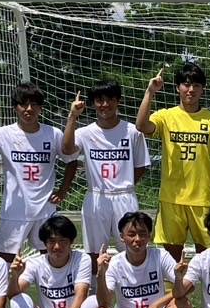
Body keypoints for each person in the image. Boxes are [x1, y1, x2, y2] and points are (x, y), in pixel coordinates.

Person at [0, 81, 76, 260]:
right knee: (6, 260)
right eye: (23, 104)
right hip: (14, 211)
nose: (29, 109)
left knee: (51, 258)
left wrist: (63, 190)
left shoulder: (53, 133)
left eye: (34, 104)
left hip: (45, 209)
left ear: (41, 108)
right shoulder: (3, 133)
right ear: (16, 107)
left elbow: (72, 160)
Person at [137, 61, 210, 258]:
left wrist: (206, 178)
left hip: (203, 198)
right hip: (172, 198)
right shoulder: (166, 116)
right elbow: (142, 126)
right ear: (178, 87)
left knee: (208, 256)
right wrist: (150, 92)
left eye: (196, 85)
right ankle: (175, 281)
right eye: (186, 84)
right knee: (172, 257)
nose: (191, 90)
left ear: (203, 89)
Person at [62, 79, 150, 255]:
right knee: (95, 252)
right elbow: (67, 149)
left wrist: (124, 184)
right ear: (93, 103)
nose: (105, 104)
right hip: (96, 197)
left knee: (132, 249)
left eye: (110, 99)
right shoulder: (85, 133)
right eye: (99, 100)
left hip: (125, 196)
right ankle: (96, 275)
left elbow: (141, 166)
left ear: (118, 101)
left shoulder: (133, 131)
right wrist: (72, 116)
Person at [90, 210, 188, 308]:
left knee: (183, 302)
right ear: (122, 237)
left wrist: (156, 305)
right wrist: (100, 275)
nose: (137, 239)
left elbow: (185, 287)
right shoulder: (115, 262)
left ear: (149, 236)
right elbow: (104, 303)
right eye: (131, 234)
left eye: (142, 234)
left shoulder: (160, 255)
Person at [6, 213, 92, 308]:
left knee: (94, 301)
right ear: (45, 243)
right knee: (18, 300)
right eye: (51, 241)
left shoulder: (82, 259)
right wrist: (14, 276)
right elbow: (13, 294)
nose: (57, 247)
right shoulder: (35, 263)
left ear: (71, 242)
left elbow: (81, 295)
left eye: (62, 241)